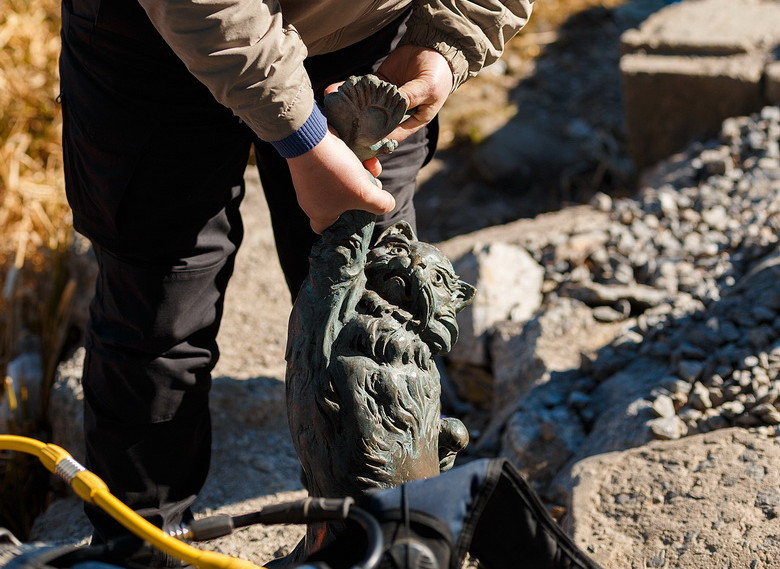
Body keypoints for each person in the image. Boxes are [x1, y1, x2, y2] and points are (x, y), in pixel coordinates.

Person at [58, 0, 534, 565]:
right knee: (158, 307)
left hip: (368, 39)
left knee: (381, 304)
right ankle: (139, 549)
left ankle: (378, 547)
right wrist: (302, 139)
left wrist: (444, 41)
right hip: (158, 38)